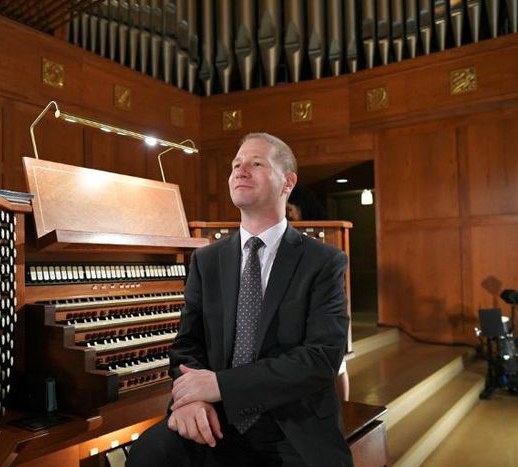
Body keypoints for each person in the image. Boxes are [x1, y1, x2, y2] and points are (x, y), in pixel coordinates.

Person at [127, 133, 353, 466]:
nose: (240, 171)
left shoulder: (323, 261)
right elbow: (187, 346)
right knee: (149, 453)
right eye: (236, 164)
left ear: (287, 182)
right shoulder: (207, 260)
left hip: (290, 426)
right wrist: (192, 400)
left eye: (256, 163)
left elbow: (321, 359)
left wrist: (219, 385)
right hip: (216, 419)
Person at [286, 185, 350, 402]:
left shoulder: (321, 245)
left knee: (337, 360)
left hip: (320, 304)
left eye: (291, 210)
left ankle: (343, 408)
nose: (289, 216)